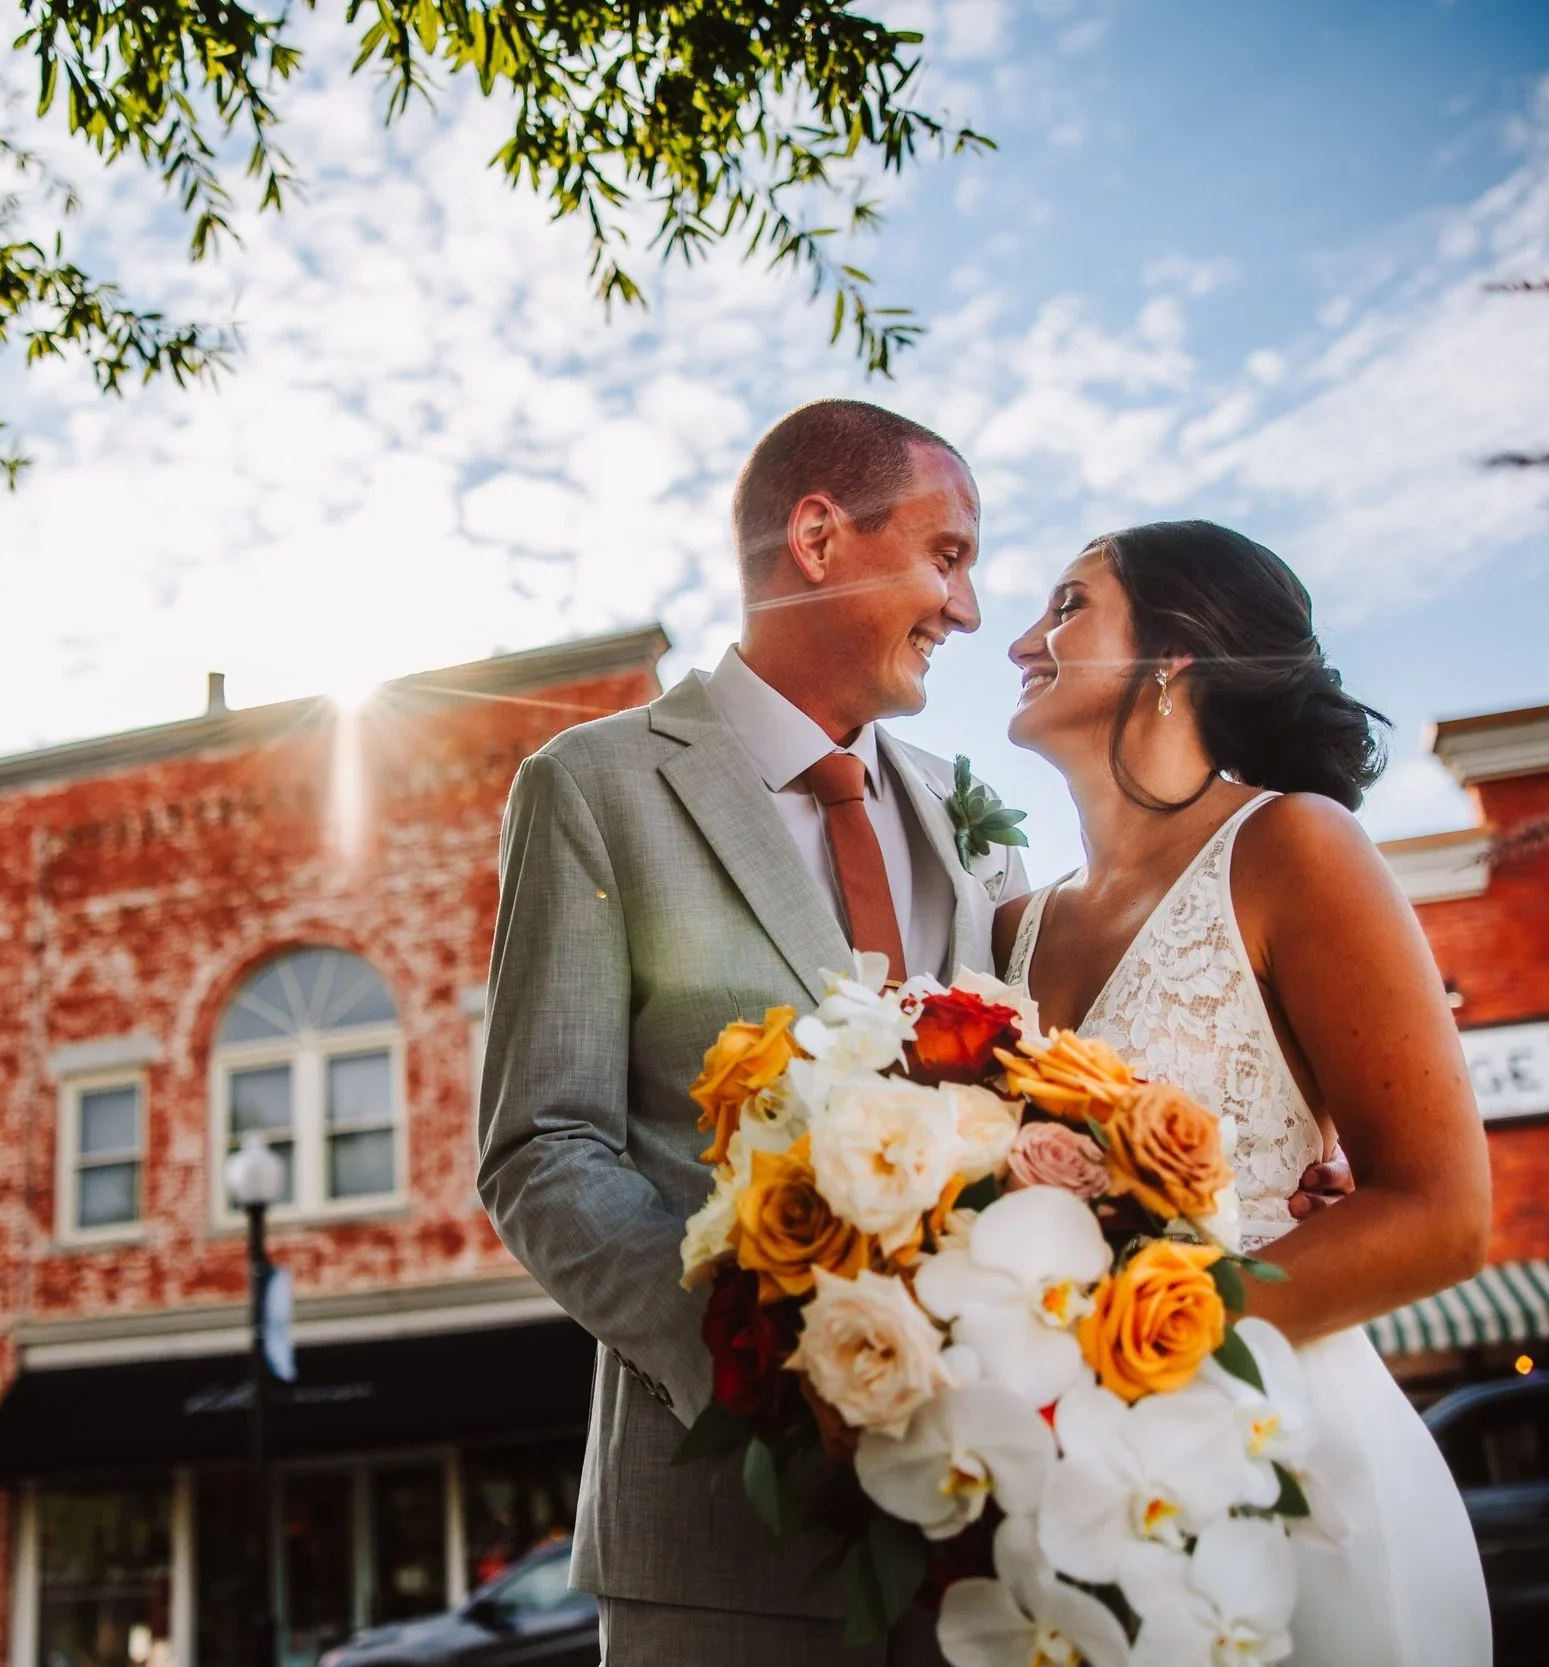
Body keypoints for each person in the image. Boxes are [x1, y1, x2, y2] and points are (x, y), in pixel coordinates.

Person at [478, 406, 1350, 1663]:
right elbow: (543, 1146)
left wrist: (1289, 1138)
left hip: (992, 1532)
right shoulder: (595, 786)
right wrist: (768, 1367)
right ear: (821, 537)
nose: (969, 607)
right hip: (723, 1531)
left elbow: (1064, 1078)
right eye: (948, 555)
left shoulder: (967, 810)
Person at [995, 519, 1494, 1665]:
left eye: (1068, 606)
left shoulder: (1294, 847)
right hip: (1080, 1509)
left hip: (1291, 1470)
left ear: (1174, 655)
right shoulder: (1009, 932)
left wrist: (1116, 1356)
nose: (1022, 638)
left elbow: (1439, 1211)